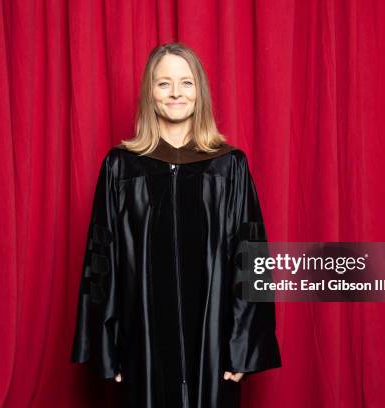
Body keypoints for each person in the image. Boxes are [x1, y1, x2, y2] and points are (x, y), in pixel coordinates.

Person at [71, 42, 281, 408]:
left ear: (199, 92)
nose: (175, 93)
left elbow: (252, 259)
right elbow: (102, 259)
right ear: (149, 94)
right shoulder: (122, 167)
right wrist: (107, 345)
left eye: (186, 83)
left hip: (214, 342)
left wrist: (243, 344)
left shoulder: (228, 166)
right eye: (163, 83)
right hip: (142, 340)